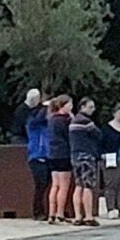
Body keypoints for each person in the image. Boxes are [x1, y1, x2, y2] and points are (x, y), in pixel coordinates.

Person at [68, 95, 105, 225]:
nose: (93, 109)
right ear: (82, 107)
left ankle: (78, 216)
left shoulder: (73, 121)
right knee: (88, 186)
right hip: (87, 156)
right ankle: (89, 216)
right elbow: (99, 135)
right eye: (90, 107)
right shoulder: (86, 122)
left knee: (78, 185)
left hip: (75, 155)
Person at [22, 88, 53, 220]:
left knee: (46, 184)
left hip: (47, 156)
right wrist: (46, 107)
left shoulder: (47, 125)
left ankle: (44, 210)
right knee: (40, 184)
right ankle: (37, 211)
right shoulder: (32, 123)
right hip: (36, 156)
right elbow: (39, 117)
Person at [44, 96, 75, 225]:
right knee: (64, 185)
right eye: (70, 104)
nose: (71, 107)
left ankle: (51, 212)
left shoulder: (51, 119)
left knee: (55, 184)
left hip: (52, 154)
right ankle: (60, 213)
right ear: (64, 105)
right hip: (64, 154)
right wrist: (72, 118)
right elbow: (70, 136)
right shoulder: (65, 121)